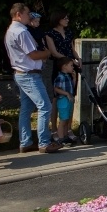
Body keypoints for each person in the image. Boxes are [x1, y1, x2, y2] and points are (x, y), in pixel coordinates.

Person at [5, 3, 63, 154]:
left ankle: (26, 142)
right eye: (27, 13)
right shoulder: (22, 32)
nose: (29, 16)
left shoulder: (11, 30)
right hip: (30, 74)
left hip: (21, 73)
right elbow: (33, 54)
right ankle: (44, 143)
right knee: (45, 106)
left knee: (26, 108)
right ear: (18, 14)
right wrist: (47, 53)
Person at [45, 10, 81, 139]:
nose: (67, 20)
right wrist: (68, 60)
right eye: (65, 18)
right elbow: (54, 52)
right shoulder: (50, 34)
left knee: (71, 95)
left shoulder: (69, 32)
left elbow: (72, 49)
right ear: (58, 19)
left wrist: (78, 59)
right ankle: (54, 129)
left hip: (70, 66)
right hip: (59, 66)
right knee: (56, 98)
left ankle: (68, 128)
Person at [53, 57, 78, 144]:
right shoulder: (60, 77)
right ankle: (61, 138)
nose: (73, 67)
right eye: (71, 65)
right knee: (63, 120)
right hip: (63, 100)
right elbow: (56, 89)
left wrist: (74, 79)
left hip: (69, 99)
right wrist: (66, 94)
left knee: (67, 119)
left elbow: (72, 87)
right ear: (64, 66)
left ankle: (65, 136)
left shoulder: (68, 76)